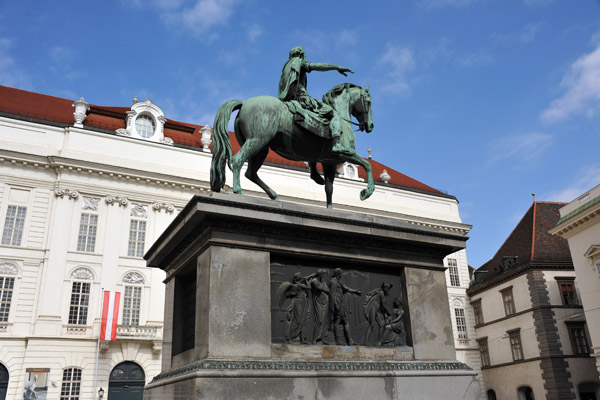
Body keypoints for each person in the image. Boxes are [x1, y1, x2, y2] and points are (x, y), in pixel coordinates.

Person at [278, 46, 354, 156]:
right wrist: (336, 67)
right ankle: (336, 144)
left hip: (288, 98)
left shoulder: (286, 66)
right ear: (301, 55)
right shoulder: (298, 62)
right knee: (334, 114)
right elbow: (317, 66)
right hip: (302, 97)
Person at [328, 268, 361, 345]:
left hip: (341, 303)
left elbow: (346, 288)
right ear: (337, 274)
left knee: (345, 321)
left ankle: (350, 341)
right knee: (337, 321)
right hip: (337, 303)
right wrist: (335, 305)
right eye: (340, 274)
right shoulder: (333, 282)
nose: (341, 275)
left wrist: (355, 291)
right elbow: (331, 294)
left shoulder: (339, 282)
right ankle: (339, 340)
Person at [309, 269, 330, 343]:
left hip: (325, 301)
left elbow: (328, 290)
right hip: (318, 301)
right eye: (323, 275)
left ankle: (322, 338)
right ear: (320, 274)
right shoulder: (314, 281)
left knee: (324, 320)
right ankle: (314, 339)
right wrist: (323, 288)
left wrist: (323, 288)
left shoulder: (323, 281)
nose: (324, 276)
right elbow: (319, 288)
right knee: (319, 320)